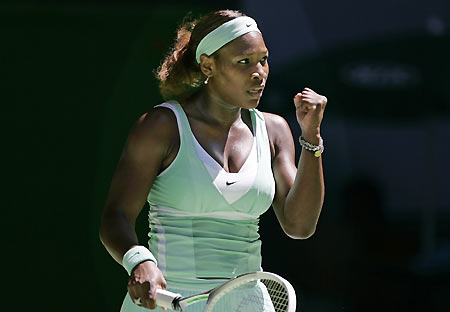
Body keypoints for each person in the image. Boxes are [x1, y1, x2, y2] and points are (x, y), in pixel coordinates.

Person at [99, 9, 327, 311]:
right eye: (243, 62)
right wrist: (139, 261)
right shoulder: (161, 126)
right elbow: (115, 215)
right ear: (208, 65)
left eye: (263, 59)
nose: (258, 72)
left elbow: (300, 226)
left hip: (248, 303)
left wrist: (311, 138)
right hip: (166, 300)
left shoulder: (275, 131)